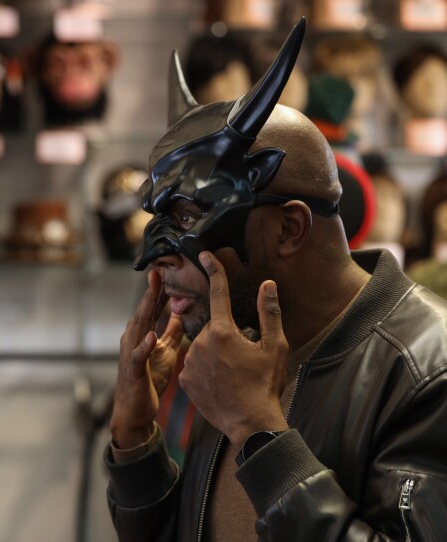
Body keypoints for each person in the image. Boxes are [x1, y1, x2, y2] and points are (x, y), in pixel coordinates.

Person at [105, 18, 447, 542]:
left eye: (189, 218)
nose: (154, 258)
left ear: (288, 228)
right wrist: (134, 442)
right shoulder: (239, 342)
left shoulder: (428, 370)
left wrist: (258, 431)